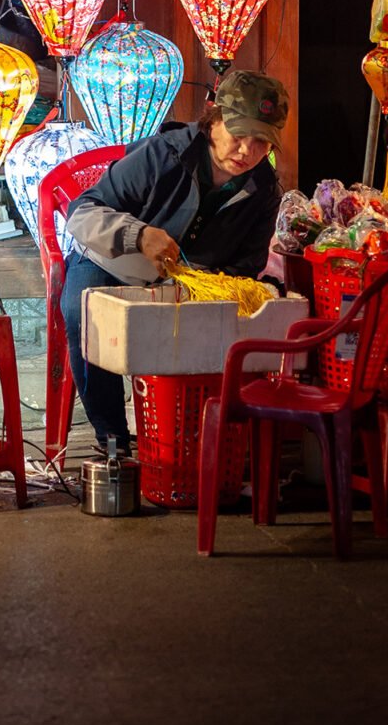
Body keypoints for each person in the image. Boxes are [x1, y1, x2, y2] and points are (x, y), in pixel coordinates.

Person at [60, 69, 289, 455]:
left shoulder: (263, 188)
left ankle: (191, 439)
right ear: (213, 119)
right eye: (238, 136)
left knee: (220, 323)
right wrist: (138, 235)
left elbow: (245, 267)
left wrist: (204, 285)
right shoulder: (162, 154)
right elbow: (81, 213)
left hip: (187, 285)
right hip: (111, 265)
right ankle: (112, 437)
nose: (247, 152)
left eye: (261, 142)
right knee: (82, 312)